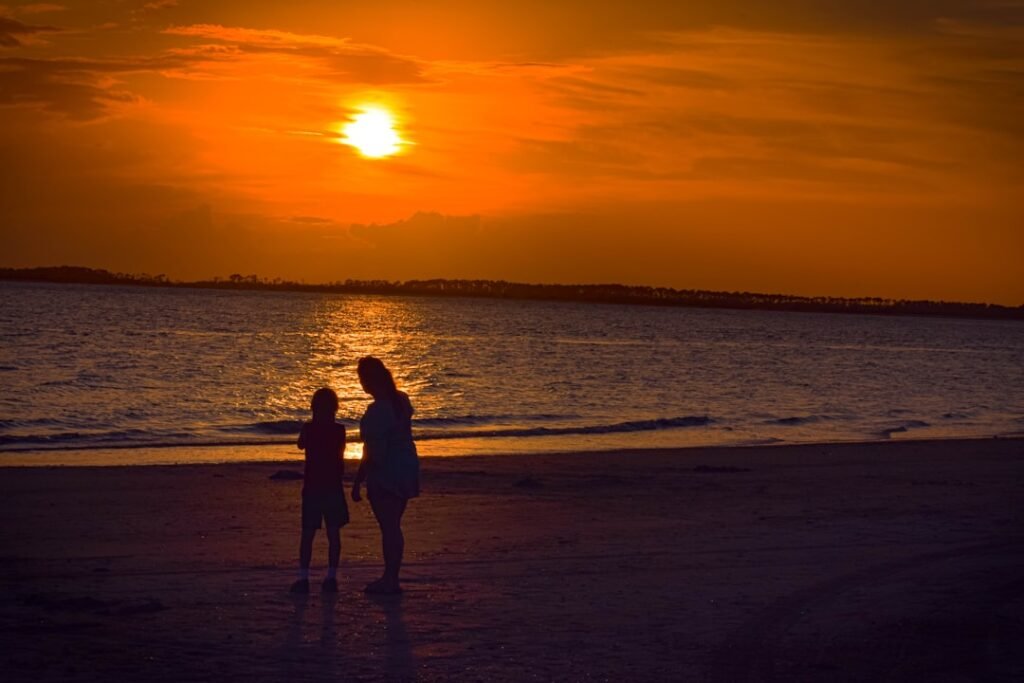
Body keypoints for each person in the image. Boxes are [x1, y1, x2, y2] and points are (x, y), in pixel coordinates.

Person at [351, 356, 419, 595]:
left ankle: (390, 579)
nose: (361, 383)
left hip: (387, 472)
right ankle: (392, 577)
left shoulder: (377, 412)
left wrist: (359, 480)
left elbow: (373, 453)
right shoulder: (401, 401)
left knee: (389, 527)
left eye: (362, 379)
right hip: (406, 467)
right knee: (394, 526)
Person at [291, 387, 348, 594]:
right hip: (332, 485)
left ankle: (304, 578)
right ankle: (331, 576)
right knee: (333, 533)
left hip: (313, 486)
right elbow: (340, 455)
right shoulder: (339, 430)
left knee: (307, 534)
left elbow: (300, 445)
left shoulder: (309, 428)